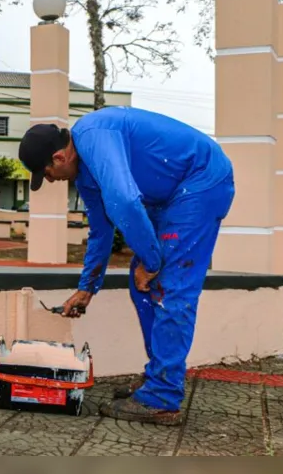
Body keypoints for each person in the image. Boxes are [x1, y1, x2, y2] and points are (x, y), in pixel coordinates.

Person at [18, 106, 235, 426]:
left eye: (46, 173)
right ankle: (159, 374)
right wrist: (87, 288)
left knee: (167, 285)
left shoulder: (93, 136)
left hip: (200, 179)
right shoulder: (87, 175)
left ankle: (162, 396)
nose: (49, 180)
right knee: (143, 282)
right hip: (171, 194)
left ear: (60, 158)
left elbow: (126, 200)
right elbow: (101, 231)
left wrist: (152, 261)